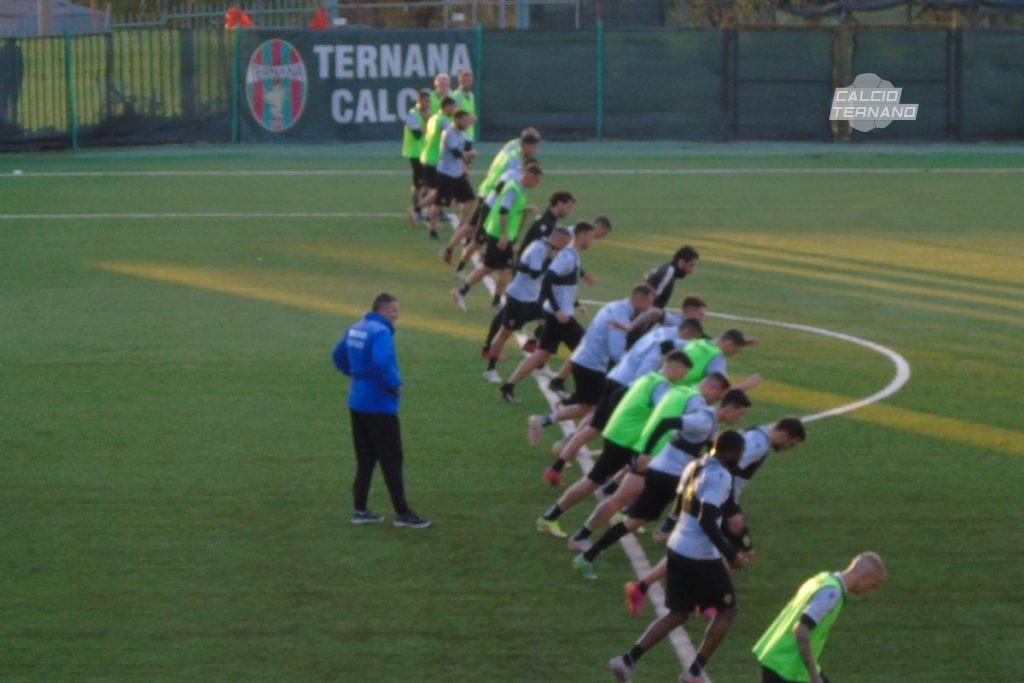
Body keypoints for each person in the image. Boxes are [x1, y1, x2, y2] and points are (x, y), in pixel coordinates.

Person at [607, 430, 751, 683]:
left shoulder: (696, 463)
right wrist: (731, 555)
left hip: (678, 546)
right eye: (739, 453)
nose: (741, 458)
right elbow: (707, 518)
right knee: (728, 610)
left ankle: (627, 660)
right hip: (700, 554)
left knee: (679, 613)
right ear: (731, 452)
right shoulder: (720, 475)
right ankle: (694, 672)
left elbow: (680, 498)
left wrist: (669, 525)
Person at [626, 418, 808, 616]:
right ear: (785, 435)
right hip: (720, 501)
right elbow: (725, 468)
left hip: (712, 497)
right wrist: (733, 511)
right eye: (791, 444)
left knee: (689, 552)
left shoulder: (757, 432)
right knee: (740, 554)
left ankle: (643, 587)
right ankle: (704, 600)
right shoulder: (758, 444)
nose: (789, 448)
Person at [568, 384, 749, 574]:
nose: (740, 418)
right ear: (730, 407)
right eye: (740, 413)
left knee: (635, 521)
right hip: (666, 475)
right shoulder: (703, 420)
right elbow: (666, 423)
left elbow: (712, 451)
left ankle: (589, 553)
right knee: (645, 520)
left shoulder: (712, 423)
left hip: (667, 475)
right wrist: (645, 453)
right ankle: (589, 554)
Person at [535, 352, 693, 540]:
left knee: (636, 475)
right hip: (625, 440)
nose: (684, 377)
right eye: (684, 372)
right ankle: (550, 517)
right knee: (593, 480)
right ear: (675, 367)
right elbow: (664, 415)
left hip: (620, 436)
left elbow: (619, 394)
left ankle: (622, 509)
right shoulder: (661, 386)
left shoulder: (649, 377)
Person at [543, 317, 707, 483]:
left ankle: (560, 466)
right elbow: (645, 371)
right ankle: (599, 478)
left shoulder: (661, 332)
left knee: (594, 426)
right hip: (625, 386)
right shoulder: (667, 343)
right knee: (608, 431)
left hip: (616, 377)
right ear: (689, 332)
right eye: (692, 337)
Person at [332, 293, 430, 529]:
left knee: (365, 459)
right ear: (384, 310)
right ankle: (403, 514)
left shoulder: (357, 327)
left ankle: (360, 510)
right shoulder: (381, 332)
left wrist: (354, 373)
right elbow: (382, 360)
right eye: (395, 310)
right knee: (392, 460)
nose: (397, 315)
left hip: (357, 401)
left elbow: (338, 355)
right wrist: (394, 384)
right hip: (379, 405)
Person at [527, 284, 656, 443]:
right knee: (594, 408)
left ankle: (560, 431)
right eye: (649, 301)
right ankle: (559, 432)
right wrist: (633, 365)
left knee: (591, 406)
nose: (651, 307)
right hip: (591, 365)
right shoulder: (620, 315)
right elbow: (616, 352)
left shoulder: (614, 306)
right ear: (640, 298)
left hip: (585, 359)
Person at [498, 221, 597, 403]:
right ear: (582, 235)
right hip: (559, 317)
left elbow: (565, 285)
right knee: (585, 350)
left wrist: (576, 303)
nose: (593, 241)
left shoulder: (572, 255)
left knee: (541, 354)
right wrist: (559, 310)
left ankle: (508, 386)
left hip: (555, 313)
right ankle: (567, 388)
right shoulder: (567, 257)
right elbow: (547, 281)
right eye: (592, 237)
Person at [753, 552, 887, 683]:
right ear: (865, 577)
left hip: (784, 660)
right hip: (785, 666)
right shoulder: (832, 593)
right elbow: (801, 630)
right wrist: (813, 675)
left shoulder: (823, 579)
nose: (870, 591)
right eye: (873, 586)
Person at [443, 128, 541, 274]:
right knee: (479, 238)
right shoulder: (516, 164)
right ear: (527, 145)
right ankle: (461, 265)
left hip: (489, 191)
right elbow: (511, 183)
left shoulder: (513, 145)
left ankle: (449, 250)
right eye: (535, 145)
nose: (537, 149)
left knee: (471, 227)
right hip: (492, 198)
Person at [482, 227, 572, 382]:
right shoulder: (539, 248)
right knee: (504, 333)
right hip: (518, 299)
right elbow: (534, 273)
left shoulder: (548, 248)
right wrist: (550, 259)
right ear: (557, 239)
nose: (566, 246)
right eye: (565, 242)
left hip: (533, 298)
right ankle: (490, 369)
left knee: (551, 323)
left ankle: (539, 362)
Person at [452, 161, 545, 311]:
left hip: (501, 233)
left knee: (489, 267)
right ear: (529, 175)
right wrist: (505, 235)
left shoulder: (519, 189)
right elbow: (503, 211)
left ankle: (462, 292)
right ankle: (496, 301)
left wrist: (526, 209)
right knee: (507, 268)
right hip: (500, 235)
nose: (537, 184)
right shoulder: (514, 189)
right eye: (537, 180)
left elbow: (512, 209)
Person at [625, 246, 701, 347]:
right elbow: (648, 302)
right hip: (639, 325)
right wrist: (638, 328)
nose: (691, 271)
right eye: (690, 265)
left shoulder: (666, 270)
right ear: (682, 262)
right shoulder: (668, 273)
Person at [432, 110, 478, 232]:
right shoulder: (449, 133)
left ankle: (461, 226)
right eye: (465, 120)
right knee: (439, 203)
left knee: (471, 199)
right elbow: (456, 153)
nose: (468, 123)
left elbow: (462, 153)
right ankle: (433, 230)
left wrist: (466, 167)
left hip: (457, 174)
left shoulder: (461, 133)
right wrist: (469, 154)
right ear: (457, 120)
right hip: (446, 173)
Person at [418, 96, 457, 239]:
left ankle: (421, 210)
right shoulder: (444, 120)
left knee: (436, 192)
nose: (454, 111)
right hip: (435, 161)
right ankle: (430, 225)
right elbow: (452, 138)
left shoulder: (434, 117)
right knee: (439, 193)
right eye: (453, 107)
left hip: (427, 157)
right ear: (447, 106)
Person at [401, 89, 433, 227]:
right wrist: (427, 121)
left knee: (427, 183)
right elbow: (418, 135)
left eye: (428, 101)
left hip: (426, 153)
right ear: (418, 101)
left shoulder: (429, 115)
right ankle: (416, 208)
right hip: (415, 153)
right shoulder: (411, 115)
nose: (427, 103)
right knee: (419, 183)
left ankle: (421, 209)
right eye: (425, 101)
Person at [452, 69, 476, 139]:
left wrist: (473, 118)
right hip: (459, 135)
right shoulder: (456, 95)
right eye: (465, 81)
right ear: (460, 81)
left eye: (469, 81)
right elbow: (456, 115)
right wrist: (469, 119)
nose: (467, 83)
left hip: (470, 134)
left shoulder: (471, 96)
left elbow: (472, 113)